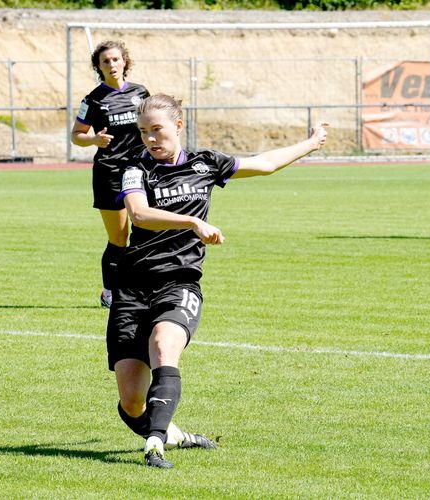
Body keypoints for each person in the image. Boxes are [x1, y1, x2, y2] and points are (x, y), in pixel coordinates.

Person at [108, 93, 328, 468]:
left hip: (179, 281)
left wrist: (310, 143)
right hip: (132, 286)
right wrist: (193, 222)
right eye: (144, 132)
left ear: (178, 126)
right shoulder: (136, 169)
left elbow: (264, 164)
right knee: (131, 402)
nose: (150, 139)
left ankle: (155, 445)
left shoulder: (205, 163)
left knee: (164, 344)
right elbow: (139, 214)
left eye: (157, 130)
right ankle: (175, 435)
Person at [71, 40, 150, 307]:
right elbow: (76, 135)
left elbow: (153, 125)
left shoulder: (141, 93)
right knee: (119, 238)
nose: (112, 65)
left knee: (147, 230)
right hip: (110, 173)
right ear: (99, 67)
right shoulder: (93, 99)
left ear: (125, 62)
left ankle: (140, 287)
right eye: (106, 61)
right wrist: (93, 140)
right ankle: (109, 293)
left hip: (141, 172)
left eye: (116, 59)